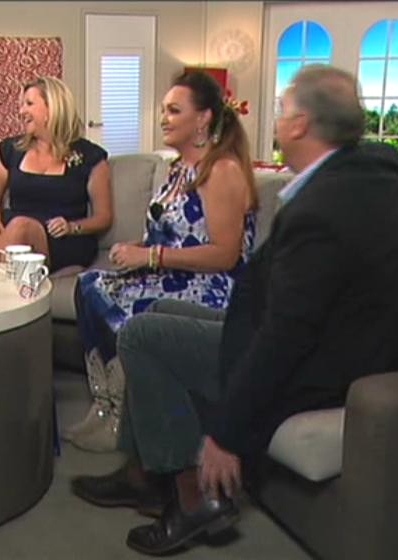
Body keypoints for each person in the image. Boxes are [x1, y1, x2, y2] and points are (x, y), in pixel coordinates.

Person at [71, 64, 398, 556]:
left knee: (142, 334)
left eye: (282, 110)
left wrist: (226, 434)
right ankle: (144, 471)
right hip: (301, 335)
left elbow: (287, 334)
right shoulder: (367, 171)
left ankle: (191, 497)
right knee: (161, 310)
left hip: (318, 367)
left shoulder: (325, 207)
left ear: (300, 125)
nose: (275, 120)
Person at [65, 70, 258, 453]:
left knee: (117, 298)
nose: (163, 119)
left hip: (209, 286)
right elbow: (171, 234)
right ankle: (106, 402)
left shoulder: (221, 170)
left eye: (174, 110)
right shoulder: (177, 169)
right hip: (170, 273)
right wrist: (136, 248)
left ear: (203, 118)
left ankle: (122, 412)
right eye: (163, 110)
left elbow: (225, 254)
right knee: (89, 286)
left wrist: (150, 256)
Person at [0, 76, 112, 272]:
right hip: (15, 237)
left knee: (22, 225)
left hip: (62, 242)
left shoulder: (90, 156)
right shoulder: (12, 150)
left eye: (29, 104)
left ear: (52, 108)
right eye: (21, 105)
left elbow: (104, 217)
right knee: (19, 227)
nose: (21, 111)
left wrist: (72, 226)